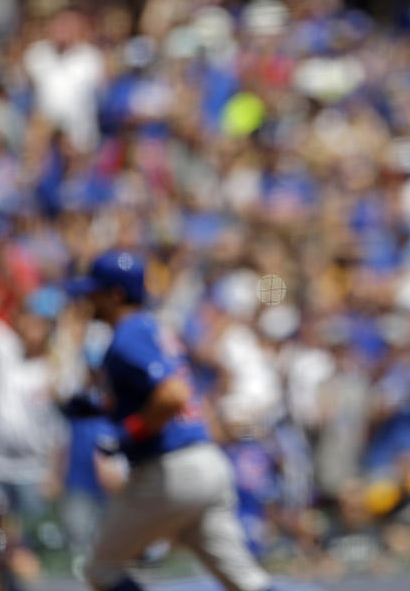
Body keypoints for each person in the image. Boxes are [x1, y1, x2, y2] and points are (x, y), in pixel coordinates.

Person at [66, 251, 272, 591]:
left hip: (170, 470)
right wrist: (104, 409)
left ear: (116, 294)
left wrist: (129, 432)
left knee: (101, 569)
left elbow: (172, 395)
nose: (89, 299)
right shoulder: (152, 327)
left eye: (96, 291)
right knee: (247, 583)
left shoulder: (129, 332)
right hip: (207, 462)